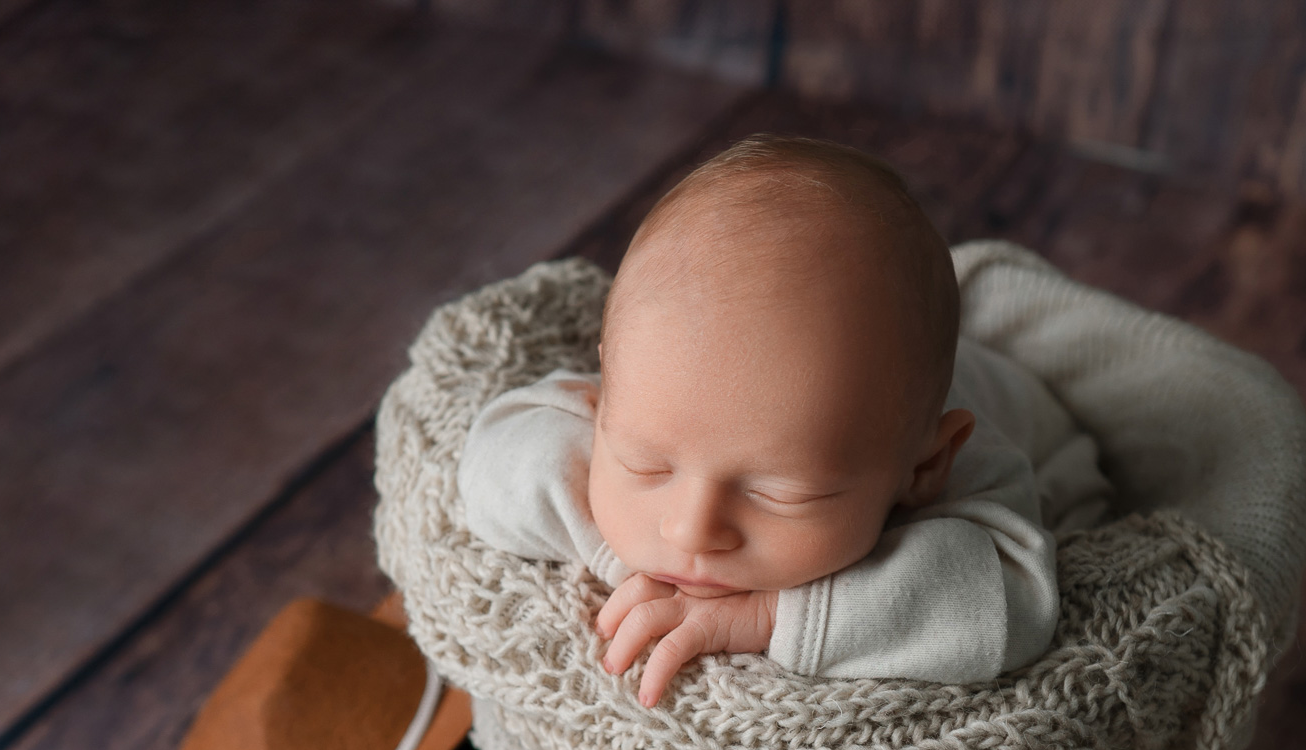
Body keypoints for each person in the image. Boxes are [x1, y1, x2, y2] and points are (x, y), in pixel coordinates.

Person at [458, 134, 1111, 706]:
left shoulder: (962, 463)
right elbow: (492, 462)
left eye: (780, 493)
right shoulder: (658, 392)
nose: (692, 528)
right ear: (602, 399)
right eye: (646, 463)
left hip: (1059, 462)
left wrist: (771, 613)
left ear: (925, 465)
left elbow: (1018, 604)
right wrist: (626, 564)